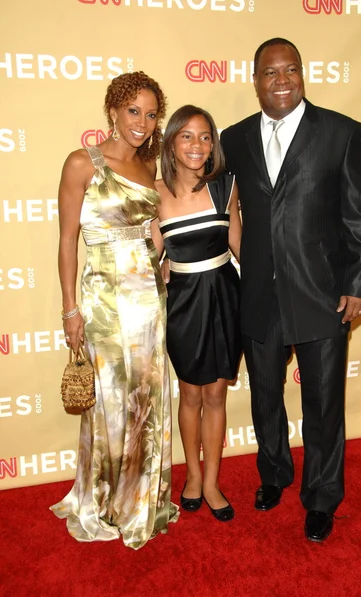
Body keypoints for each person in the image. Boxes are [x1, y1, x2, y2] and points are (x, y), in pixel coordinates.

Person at [220, 38, 361, 542]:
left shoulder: (340, 132)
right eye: (270, 72)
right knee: (265, 396)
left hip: (323, 293)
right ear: (256, 80)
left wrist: (358, 285)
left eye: (291, 70)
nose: (282, 80)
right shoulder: (235, 138)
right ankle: (274, 474)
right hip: (259, 295)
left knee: (325, 403)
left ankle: (322, 496)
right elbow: (217, 208)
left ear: (302, 75)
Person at [50, 71, 179, 549]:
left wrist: (163, 263)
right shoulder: (83, 163)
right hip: (103, 298)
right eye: (133, 112)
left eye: (149, 114)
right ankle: (102, 499)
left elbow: (154, 231)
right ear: (113, 111)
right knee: (109, 403)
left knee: (147, 398)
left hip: (149, 298)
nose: (142, 123)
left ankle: (142, 499)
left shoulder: (150, 170)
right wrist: (69, 309)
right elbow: (66, 241)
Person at [153, 105, 241, 521]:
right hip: (183, 303)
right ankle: (190, 475)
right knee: (189, 394)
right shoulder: (153, 194)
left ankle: (211, 482)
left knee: (216, 394)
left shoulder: (226, 186)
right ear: (171, 141)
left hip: (225, 296)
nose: (197, 145)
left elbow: (241, 246)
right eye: (187, 136)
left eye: (205, 136)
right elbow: (148, 256)